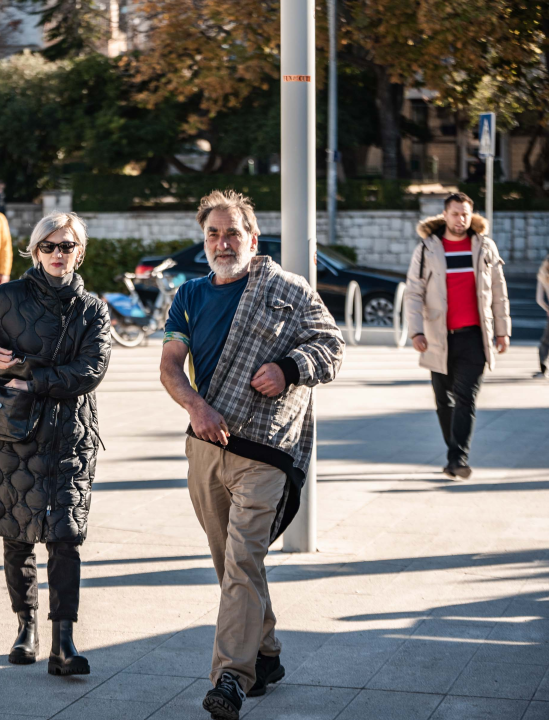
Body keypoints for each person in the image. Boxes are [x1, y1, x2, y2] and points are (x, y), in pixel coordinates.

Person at [159, 191, 343, 720]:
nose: (222, 242)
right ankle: (265, 656)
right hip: (205, 444)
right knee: (230, 564)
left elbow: (332, 344)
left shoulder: (288, 290)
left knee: (242, 560)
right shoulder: (189, 295)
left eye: (232, 233)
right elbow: (171, 366)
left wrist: (289, 367)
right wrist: (197, 408)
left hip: (264, 449)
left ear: (253, 238)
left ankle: (230, 680)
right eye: (213, 234)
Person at [0, 212, 112, 677]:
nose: (59, 254)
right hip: (10, 432)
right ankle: (26, 626)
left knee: (65, 537)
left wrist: (32, 379)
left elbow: (91, 370)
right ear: (35, 251)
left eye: (68, 246)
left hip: (69, 434)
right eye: (50, 246)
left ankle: (64, 642)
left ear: (81, 251)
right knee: (16, 533)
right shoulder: (7, 296)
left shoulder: (93, 309)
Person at [405, 192, 511, 479]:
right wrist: (415, 331)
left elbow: (498, 293)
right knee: (444, 401)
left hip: (475, 337)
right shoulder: (427, 249)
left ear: (471, 215)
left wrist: (503, 332)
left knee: (466, 399)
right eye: (455, 213)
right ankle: (454, 451)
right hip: (438, 337)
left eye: (465, 214)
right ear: (445, 214)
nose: (460, 219)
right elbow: (413, 293)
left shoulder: (484, 246)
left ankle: (457, 459)